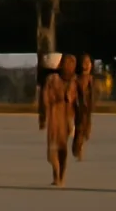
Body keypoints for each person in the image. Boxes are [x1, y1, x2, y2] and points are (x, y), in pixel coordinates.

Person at [42, 53, 78, 187]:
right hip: (54, 117)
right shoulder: (52, 79)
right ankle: (56, 173)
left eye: (72, 64)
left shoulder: (73, 81)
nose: (70, 66)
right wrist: (43, 117)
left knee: (62, 149)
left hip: (66, 117)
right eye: (67, 63)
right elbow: (45, 97)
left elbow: (74, 99)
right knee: (52, 150)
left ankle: (61, 175)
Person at [72, 53, 96, 160]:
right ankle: (78, 148)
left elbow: (94, 94)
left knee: (85, 128)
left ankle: (79, 146)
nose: (86, 65)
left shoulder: (91, 79)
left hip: (88, 109)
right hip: (79, 107)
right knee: (80, 127)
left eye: (88, 62)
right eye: (84, 62)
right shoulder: (77, 79)